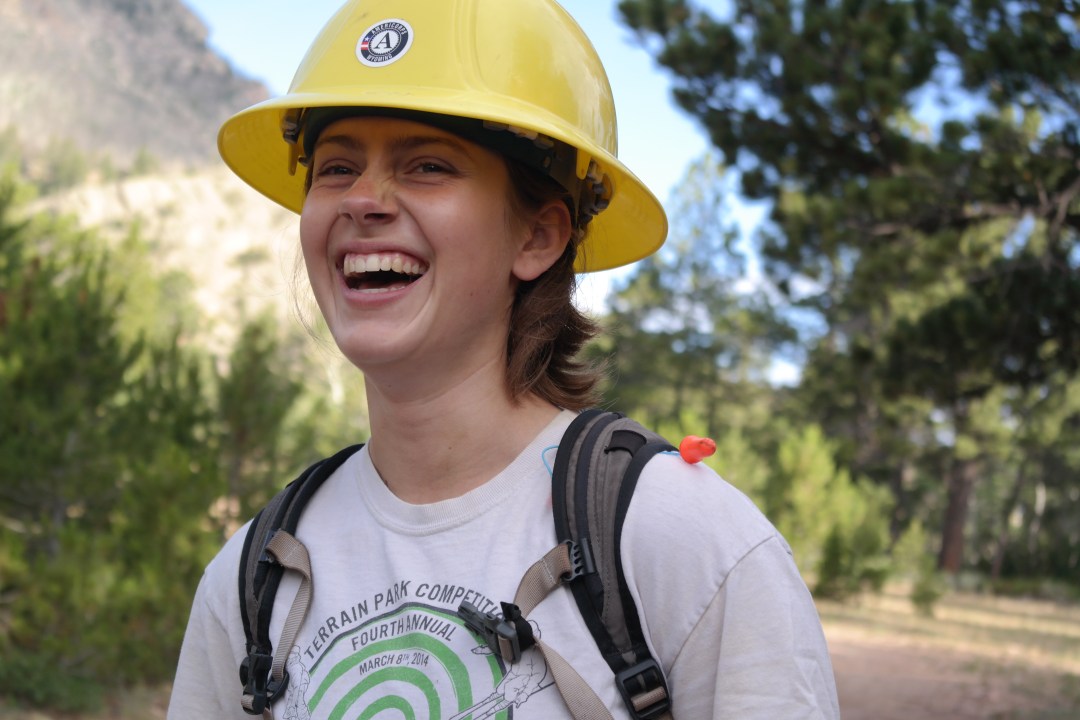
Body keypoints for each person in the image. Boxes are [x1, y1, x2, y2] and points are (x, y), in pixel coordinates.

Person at [167, 0, 840, 718]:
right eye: (336, 167)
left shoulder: (686, 542)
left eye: (428, 165)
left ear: (538, 236)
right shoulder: (256, 573)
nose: (362, 200)